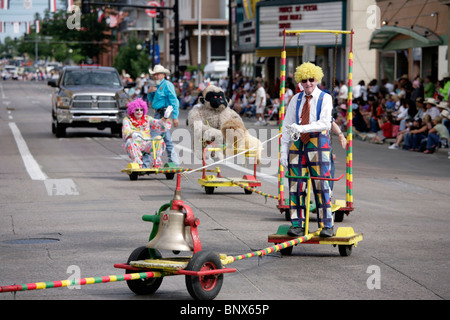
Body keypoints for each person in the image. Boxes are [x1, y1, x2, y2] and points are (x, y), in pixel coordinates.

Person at [280, 62, 334, 238]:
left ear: (317, 79)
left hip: (318, 143)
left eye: (311, 79)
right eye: (304, 80)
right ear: (300, 81)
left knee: (321, 185)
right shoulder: (296, 99)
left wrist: (302, 128)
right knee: (295, 186)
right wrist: (283, 151)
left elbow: (326, 123)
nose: (308, 83)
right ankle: (297, 224)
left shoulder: (325, 98)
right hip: (297, 145)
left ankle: (327, 225)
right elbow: (287, 126)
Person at [122, 98, 172, 168]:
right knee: (130, 141)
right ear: (132, 110)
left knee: (159, 139)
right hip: (135, 144)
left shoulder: (147, 118)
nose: (139, 112)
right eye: (137, 110)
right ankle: (138, 163)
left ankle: (156, 162)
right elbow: (126, 130)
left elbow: (157, 123)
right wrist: (132, 134)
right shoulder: (127, 120)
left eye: (141, 110)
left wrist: (165, 117)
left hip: (147, 144)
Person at [147, 64, 180, 166]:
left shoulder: (167, 85)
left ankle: (149, 162)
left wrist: (175, 117)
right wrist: (150, 92)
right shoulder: (156, 86)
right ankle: (173, 161)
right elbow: (151, 100)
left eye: (157, 74)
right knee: (166, 138)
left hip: (163, 114)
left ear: (163, 75)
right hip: (159, 114)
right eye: (154, 74)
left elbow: (174, 101)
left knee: (154, 138)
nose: (155, 76)